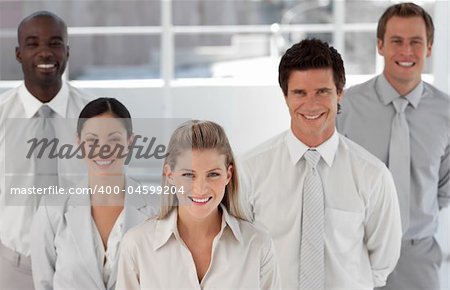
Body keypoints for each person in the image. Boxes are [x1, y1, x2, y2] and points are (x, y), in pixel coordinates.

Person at [239, 38, 402, 289]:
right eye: (300, 93)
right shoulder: (250, 170)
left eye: (322, 91)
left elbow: (382, 264)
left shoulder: (373, 175)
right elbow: (238, 254)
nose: (311, 104)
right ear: (285, 97)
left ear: (339, 93)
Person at [337, 3, 450, 290]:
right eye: (396, 41)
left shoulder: (446, 113)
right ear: (380, 45)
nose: (406, 51)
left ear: (429, 47)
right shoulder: (345, 107)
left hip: (419, 256)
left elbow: (444, 186)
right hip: (357, 253)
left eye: (416, 42)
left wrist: (414, 213)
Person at [116, 120, 281, 289]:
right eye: (188, 175)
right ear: (170, 175)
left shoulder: (258, 245)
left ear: (228, 175)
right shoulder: (137, 246)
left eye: (213, 174)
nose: (201, 188)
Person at [0, 11, 90, 289]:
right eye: (32, 43)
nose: (44, 52)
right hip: (13, 268)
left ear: (67, 51)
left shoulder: (94, 115)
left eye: (54, 43)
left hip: (80, 266)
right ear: (18, 53)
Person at [31, 97, 158, 290]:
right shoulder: (52, 210)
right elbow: (44, 284)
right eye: (92, 140)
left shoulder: (159, 210)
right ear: (79, 143)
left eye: (114, 139)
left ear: (130, 143)